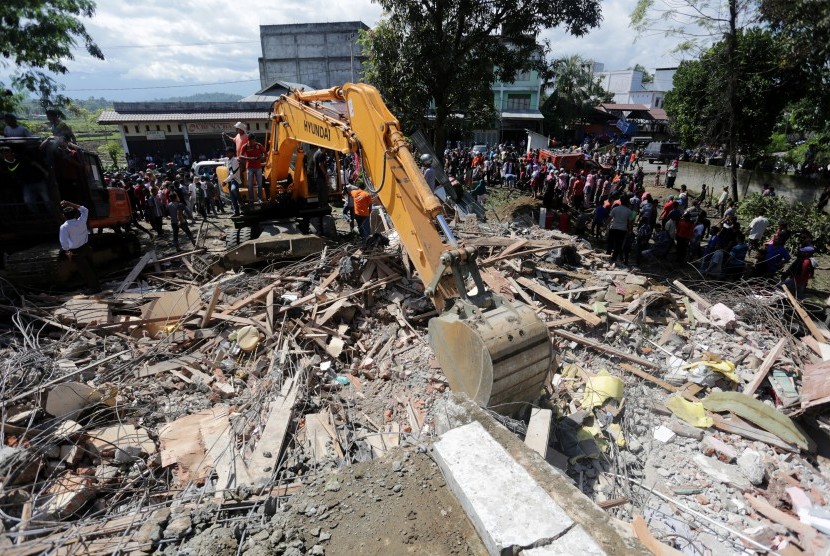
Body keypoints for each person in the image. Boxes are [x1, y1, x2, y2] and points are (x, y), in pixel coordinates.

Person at [58, 200, 99, 293]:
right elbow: (85, 209)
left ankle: (94, 288)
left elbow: (63, 242)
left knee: (85, 271)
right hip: (86, 247)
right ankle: (96, 286)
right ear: (75, 214)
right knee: (91, 268)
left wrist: (67, 252)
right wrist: (69, 203)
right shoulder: (81, 221)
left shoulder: (64, 227)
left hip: (76, 252)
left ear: (63, 216)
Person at [0, 145, 51, 214]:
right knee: (28, 201)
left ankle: (52, 214)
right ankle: (37, 215)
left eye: (8, 153)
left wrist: (45, 172)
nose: (7, 155)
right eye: (4, 154)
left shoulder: (21, 158)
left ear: (12, 153)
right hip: (26, 184)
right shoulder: (3, 164)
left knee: (47, 200)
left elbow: (34, 163)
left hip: (38, 180)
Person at [606, 196, 633, 265]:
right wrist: (629, 231)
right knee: (618, 245)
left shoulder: (615, 209)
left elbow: (609, 218)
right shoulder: (629, 211)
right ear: (627, 202)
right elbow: (630, 223)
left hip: (613, 228)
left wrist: (605, 225)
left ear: (620, 201)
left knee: (610, 243)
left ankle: (607, 256)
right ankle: (613, 259)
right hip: (622, 230)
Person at [241, 135, 266, 202]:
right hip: (249, 167)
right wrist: (249, 158)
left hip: (258, 167)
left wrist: (262, 157)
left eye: (253, 141)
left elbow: (265, 153)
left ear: (255, 140)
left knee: (260, 184)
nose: (252, 142)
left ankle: (259, 198)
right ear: (248, 140)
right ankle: (251, 199)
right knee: (250, 185)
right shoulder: (245, 146)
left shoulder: (259, 145)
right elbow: (240, 156)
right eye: (251, 141)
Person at [350, 180, 372, 245]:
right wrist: (369, 212)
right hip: (365, 214)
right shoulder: (367, 194)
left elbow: (348, 190)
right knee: (366, 229)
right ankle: (366, 243)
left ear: (358, 187)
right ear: (364, 187)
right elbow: (370, 205)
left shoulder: (354, 192)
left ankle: (363, 240)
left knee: (360, 227)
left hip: (357, 214)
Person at [222, 147, 242, 216]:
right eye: (226, 152)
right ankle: (236, 212)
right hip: (230, 180)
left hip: (235, 179)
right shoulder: (228, 160)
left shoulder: (235, 161)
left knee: (233, 189)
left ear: (232, 153)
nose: (226, 153)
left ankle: (241, 202)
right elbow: (222, 159)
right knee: (233, 198)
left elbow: (233, 174)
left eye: (228, 152)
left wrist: (225, 181)